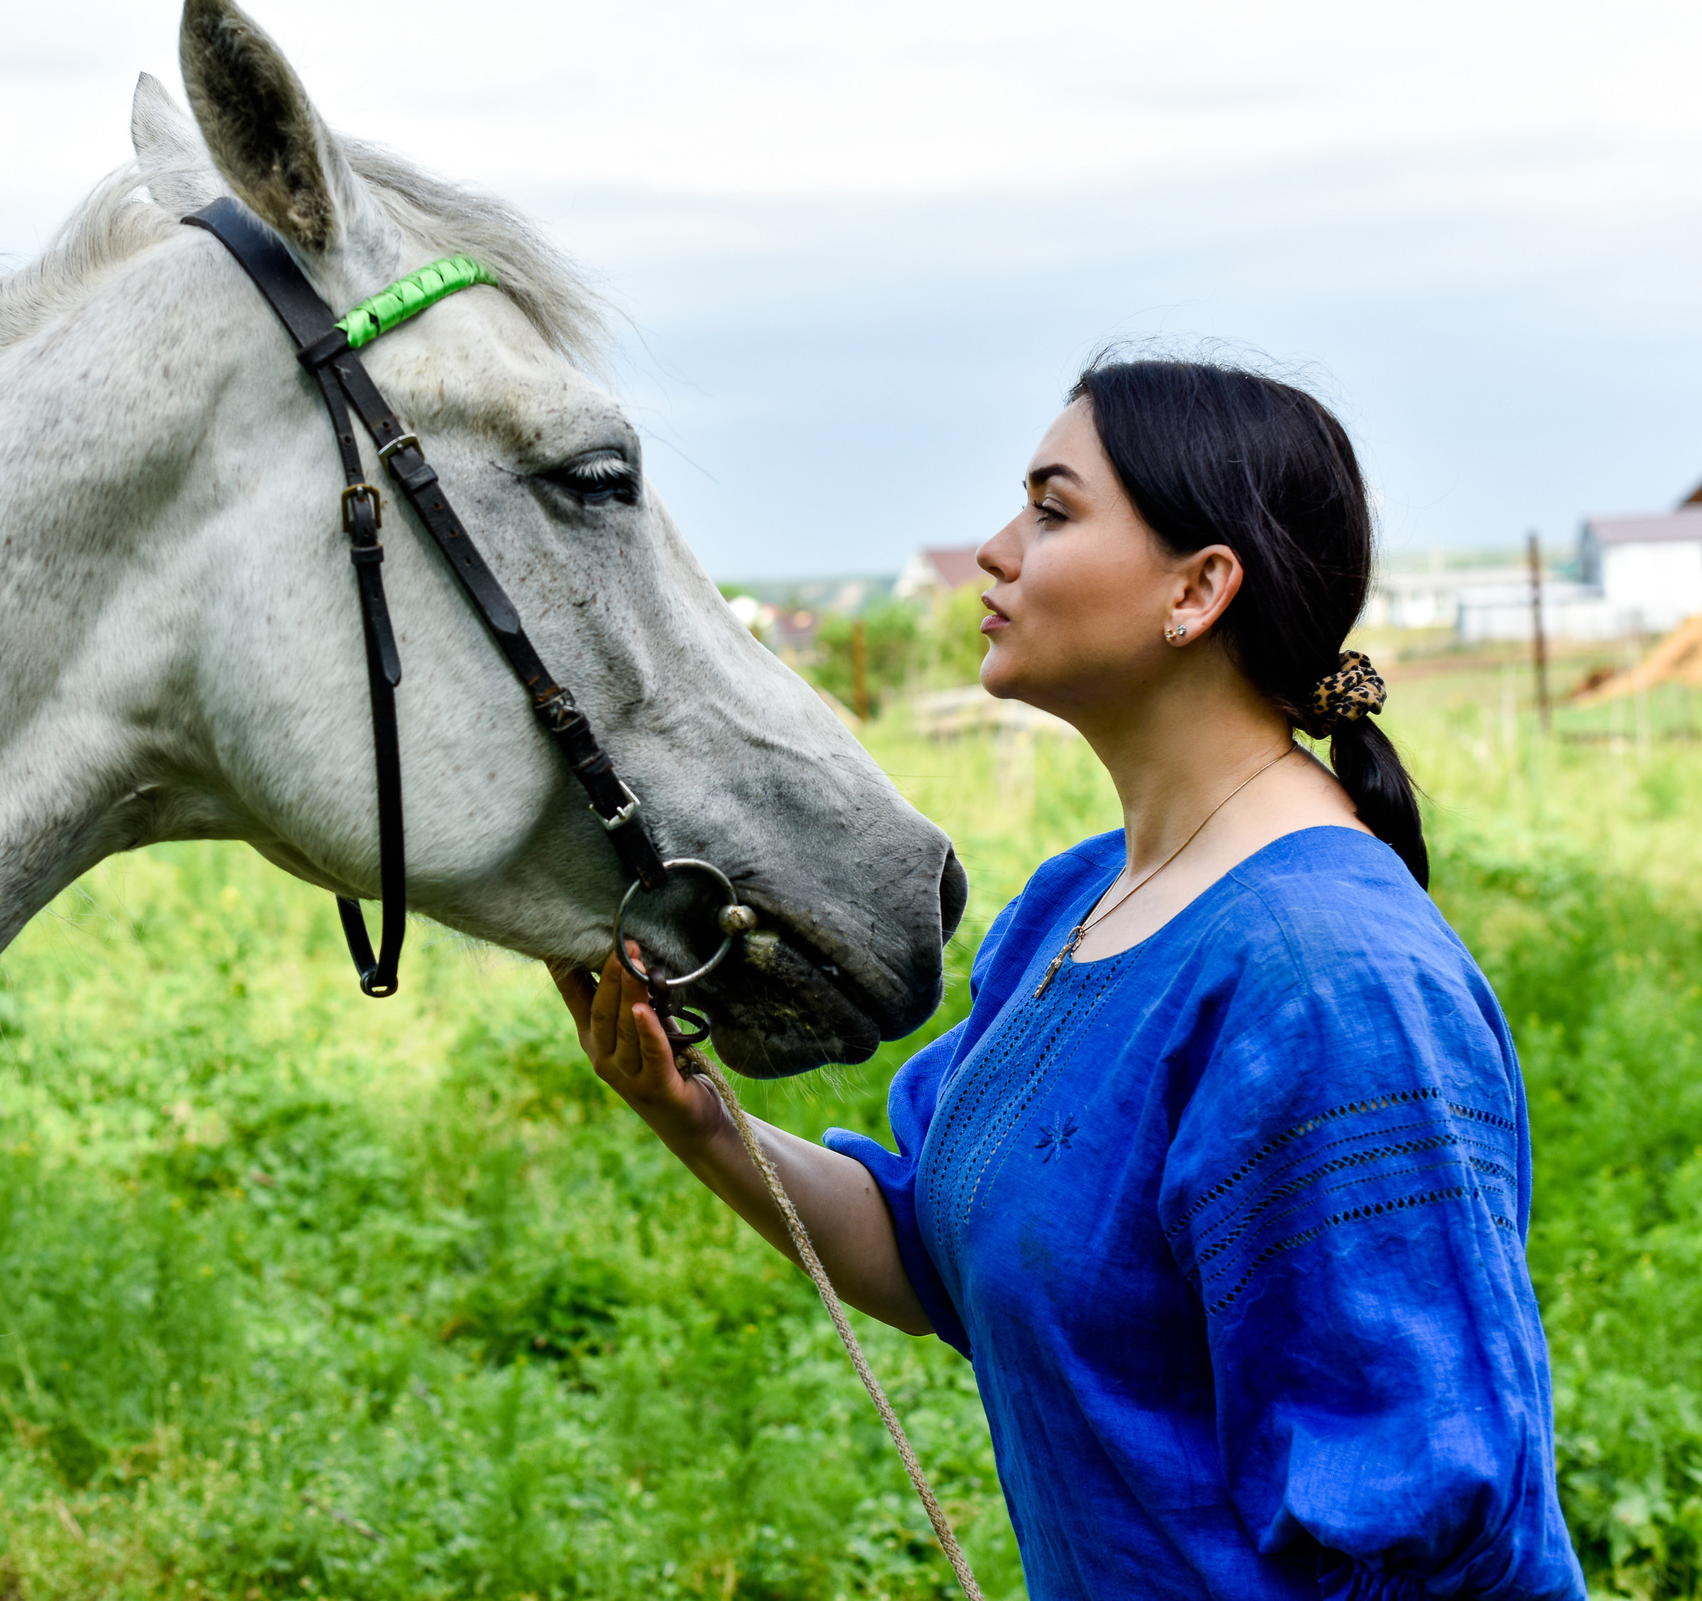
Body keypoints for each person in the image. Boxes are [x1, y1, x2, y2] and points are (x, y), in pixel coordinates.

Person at [554, 358, 1586, 1600]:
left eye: (1052, 508)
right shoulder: (1078, 902)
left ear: (1198, 589)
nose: (994, 550)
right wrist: (692, 1110)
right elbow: (924, 1246)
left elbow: (1429, 1533)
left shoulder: (1330, 981)